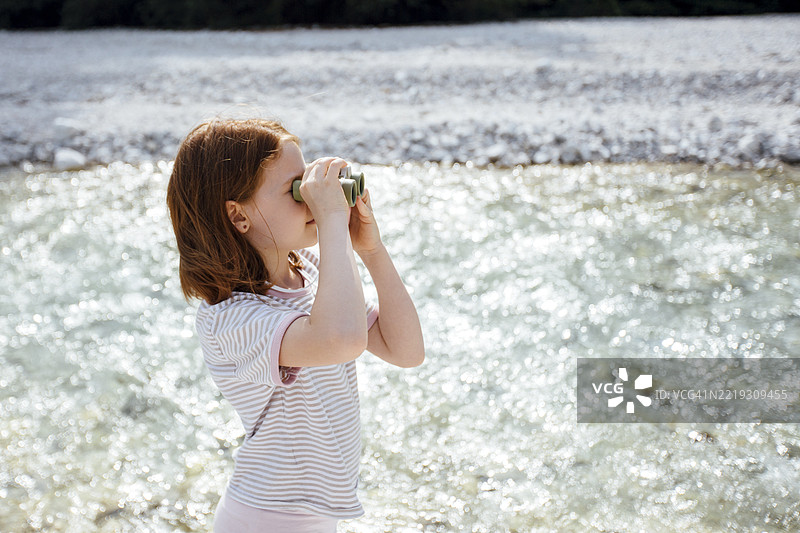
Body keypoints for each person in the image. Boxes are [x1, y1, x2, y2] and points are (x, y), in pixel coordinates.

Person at [166, 118, 425, 532]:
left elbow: (406, 350)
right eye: (296, 190)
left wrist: (370, 248)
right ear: (238, 216)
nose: (310, 201)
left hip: (318, 514)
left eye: (309, 185)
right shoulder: (231, 319)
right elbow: (340, 339)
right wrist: (332, 226)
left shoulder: (312, 274)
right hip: (266, 518)